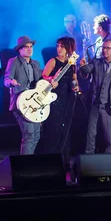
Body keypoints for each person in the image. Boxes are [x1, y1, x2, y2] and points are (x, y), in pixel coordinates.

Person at [80, 38, 111, 154]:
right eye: (103, 48)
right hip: (95, 105)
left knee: (109, 138)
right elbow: (87, 70)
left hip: (110, 107)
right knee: (90, 135)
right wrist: (83, 66)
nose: (104, 50)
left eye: (107, 48)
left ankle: (109, 162)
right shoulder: (96, 62)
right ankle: (88, 161)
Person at [40, 37, 79, 166]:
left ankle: (64, 162)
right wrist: (51, 79)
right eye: (58, 46)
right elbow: (43, 77)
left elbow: (74, 79)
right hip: (53, 100)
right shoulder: (53, 61)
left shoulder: (72, 63)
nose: (59, 49)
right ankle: (50, 162)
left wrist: (76, 85)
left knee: (65, 130)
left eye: (62, 46)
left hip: (67, 100)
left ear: (68, 48)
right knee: (53, 130)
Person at [4, 36, 43, 155]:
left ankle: (28, 162)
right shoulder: (14, 61)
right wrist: (11, 82)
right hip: (20, 103)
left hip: (34, 103)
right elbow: (6, 79)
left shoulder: (36, 64)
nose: (29, 49)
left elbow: (40, 82)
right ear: (19, 50)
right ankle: (25, 165)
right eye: (26, 47)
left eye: (31, 47)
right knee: (29, 135)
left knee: (36, 135)